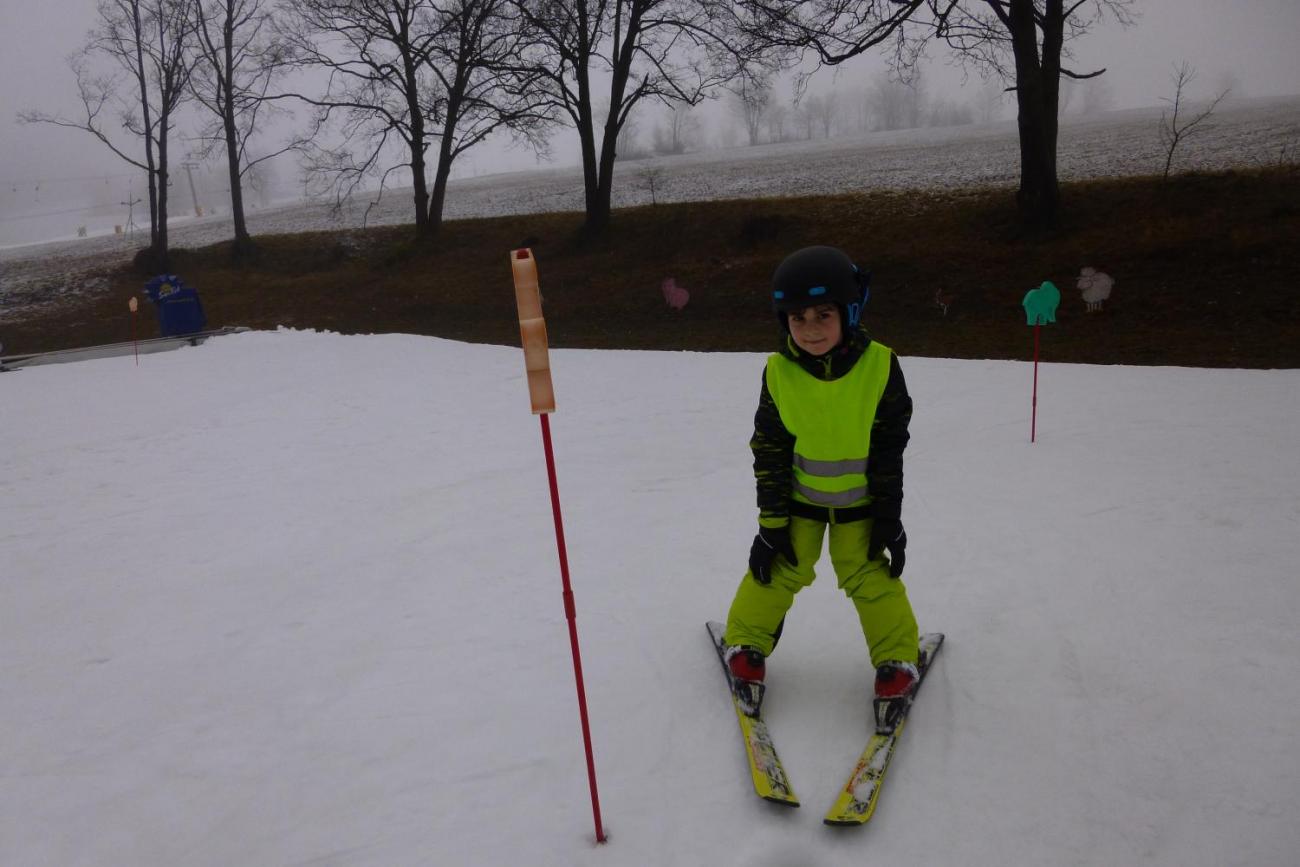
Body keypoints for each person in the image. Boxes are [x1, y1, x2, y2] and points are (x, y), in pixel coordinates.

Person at [722, 245, 921, 733]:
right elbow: (768, 448)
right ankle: (746, 645)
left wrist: (890, 518)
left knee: (868, 576)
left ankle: (896, 660)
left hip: (861, 508)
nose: (809, 328)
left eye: (823, 314)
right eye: (797, 317)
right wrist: (770, 525)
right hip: (800, 506)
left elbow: (890, 445)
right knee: (779, 568)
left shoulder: (881, 366)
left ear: (851, 312)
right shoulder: (778, 371)